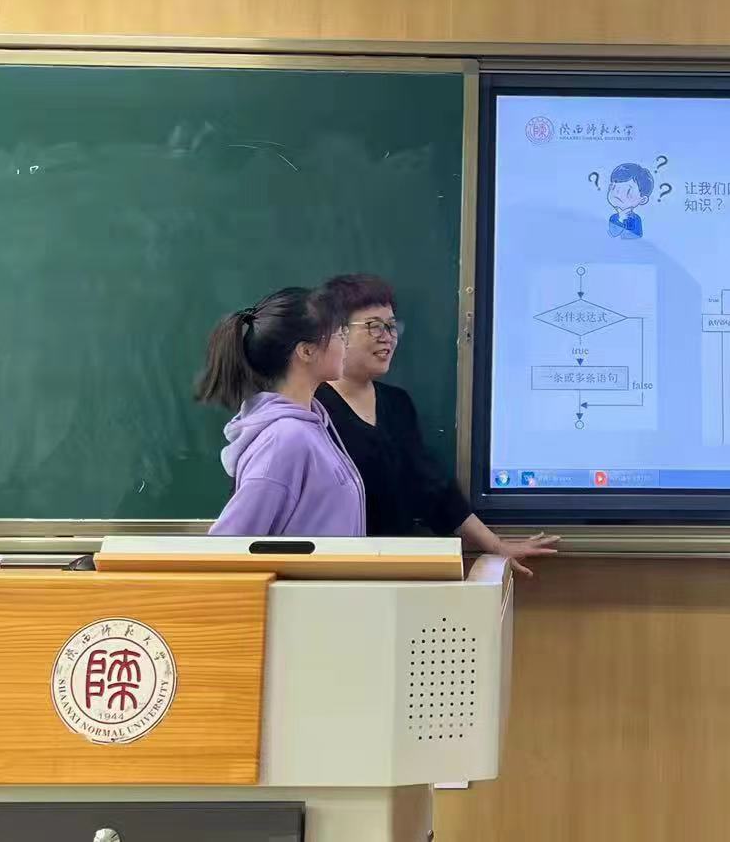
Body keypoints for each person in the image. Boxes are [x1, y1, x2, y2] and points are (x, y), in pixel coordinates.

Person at [318, 274, 557, 575]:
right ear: (335, 332)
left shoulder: (397, 404)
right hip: (331, 572)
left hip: (394, 571)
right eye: (374, 326)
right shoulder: (311, 409)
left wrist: (497, 546)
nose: (387, 337)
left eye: (391, 326)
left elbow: (434, 487)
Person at [199, 286, 366, 537]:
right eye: (339, 334)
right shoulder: (285, 440)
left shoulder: (310, 426)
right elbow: (229, 544)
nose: (346, 344)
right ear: (306, 351)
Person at [605, 163, 652, 240]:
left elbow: (637, 237)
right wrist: (620, 219)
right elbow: (612, 234)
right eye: (613, 187)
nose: (617, 193)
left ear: (643, 200)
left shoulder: (636, 219)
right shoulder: (613, 218)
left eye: (628, 191)